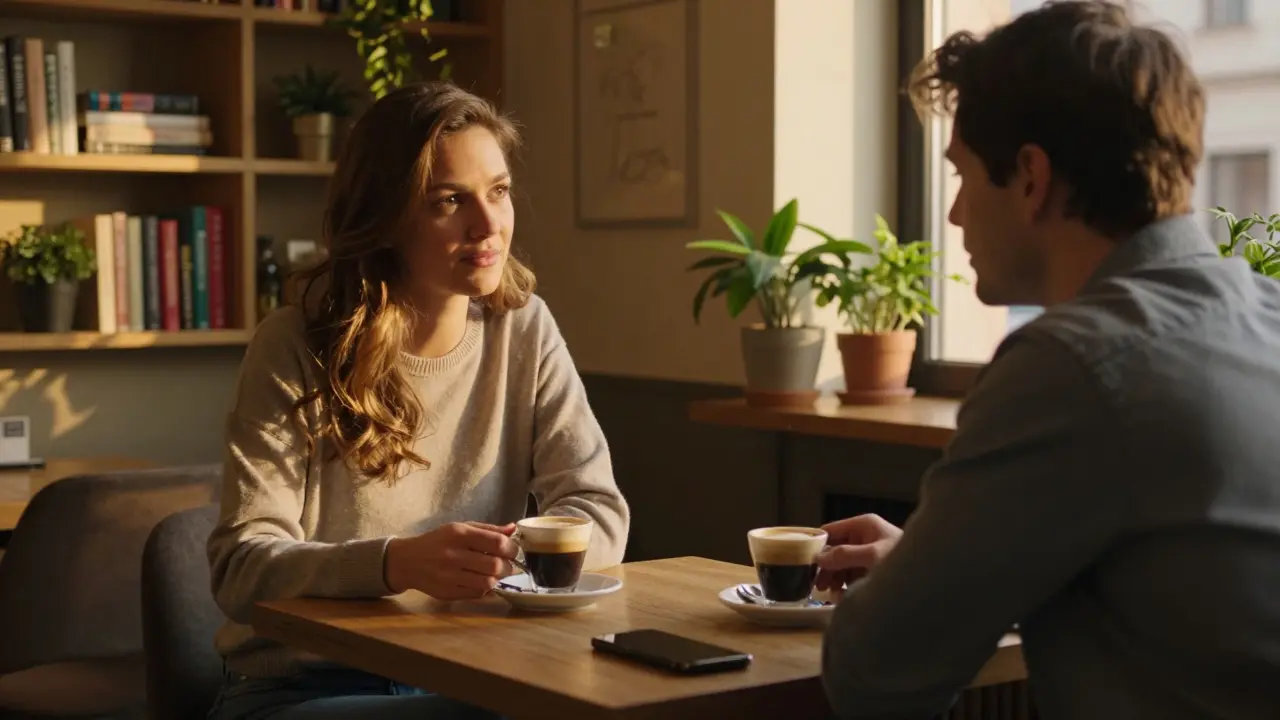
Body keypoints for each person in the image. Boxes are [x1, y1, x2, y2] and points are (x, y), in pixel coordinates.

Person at [817, 2, 1280, 719]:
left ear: (1031, 178)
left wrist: (905, 589)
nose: (955, 216)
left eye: (963, 176)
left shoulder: (1071, 365)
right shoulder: (1265, 317)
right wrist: (935, 562)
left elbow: (874, 674)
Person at [204, 82, 631, 720]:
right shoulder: (292, 344)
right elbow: (241, 567)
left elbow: (597, 509)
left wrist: (515, 555)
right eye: (449, 201)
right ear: (386, 217)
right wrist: (394, 564)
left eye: (499, 191)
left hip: (473, 672)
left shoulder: (524, 328)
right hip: (303, 686)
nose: (488, 225)